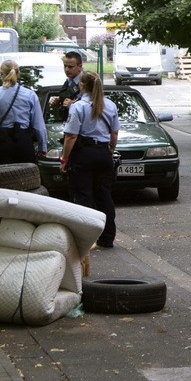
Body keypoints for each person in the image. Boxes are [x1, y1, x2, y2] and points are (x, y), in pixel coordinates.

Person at [60, 71, 119, 249]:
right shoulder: (110, 105)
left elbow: (71, 136)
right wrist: (110, 150)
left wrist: (64, 159)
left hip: (83, 154)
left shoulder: (78, 107)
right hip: (103, 153)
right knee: (104, 196)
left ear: (82, 86)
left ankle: (85, 239)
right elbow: (114, 133)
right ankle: (107, 237)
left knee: (83, 196)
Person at [0, 60, 48, 165]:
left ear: (1, 74)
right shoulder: (30, 95)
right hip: (24, 143)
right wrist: (43, 147)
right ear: (18, 73)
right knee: (26, 178)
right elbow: (39, 125)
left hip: (1, 144)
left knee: (2, 179)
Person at [50, 50, 84, 121]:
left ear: (80, 67)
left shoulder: (87, 82)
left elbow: (92, 107)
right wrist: (58, 100)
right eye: (65, 66)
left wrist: (73, 106)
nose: (67, 69)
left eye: (70, 67)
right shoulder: (68, 81)